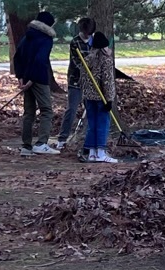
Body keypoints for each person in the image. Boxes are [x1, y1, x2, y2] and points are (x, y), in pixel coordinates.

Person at [11, 10, 58, 154]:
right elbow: (40, 60)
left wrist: (21, 78)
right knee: (46, 110)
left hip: (25, 78)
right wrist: (31, 80)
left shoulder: (27, 37)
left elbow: (17, 58)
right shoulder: (46, 39)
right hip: (38, 79)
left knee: (29, 112)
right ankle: (41, 143)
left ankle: (26, 146)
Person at [48, 19, 90, 153]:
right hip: (76, 80)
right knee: (71, 109)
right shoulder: (75, 42)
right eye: (85, 33)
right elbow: (76, 63)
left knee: (91, 108)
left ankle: (86, 136)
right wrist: (86, 72)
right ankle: (62, 139)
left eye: (89, 33)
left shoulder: (94, 42)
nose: (87, 36)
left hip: (91, 82)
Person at [80, 25, 119, 163]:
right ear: (104, 47)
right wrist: (109, 99)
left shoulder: (86, 59)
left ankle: (91, 152)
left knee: (92, 123)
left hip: (89, 97)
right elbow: (107, 81)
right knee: (103, 123)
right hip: (101, 98)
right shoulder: (106, 60)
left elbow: (83, 80)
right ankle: (101, 152)